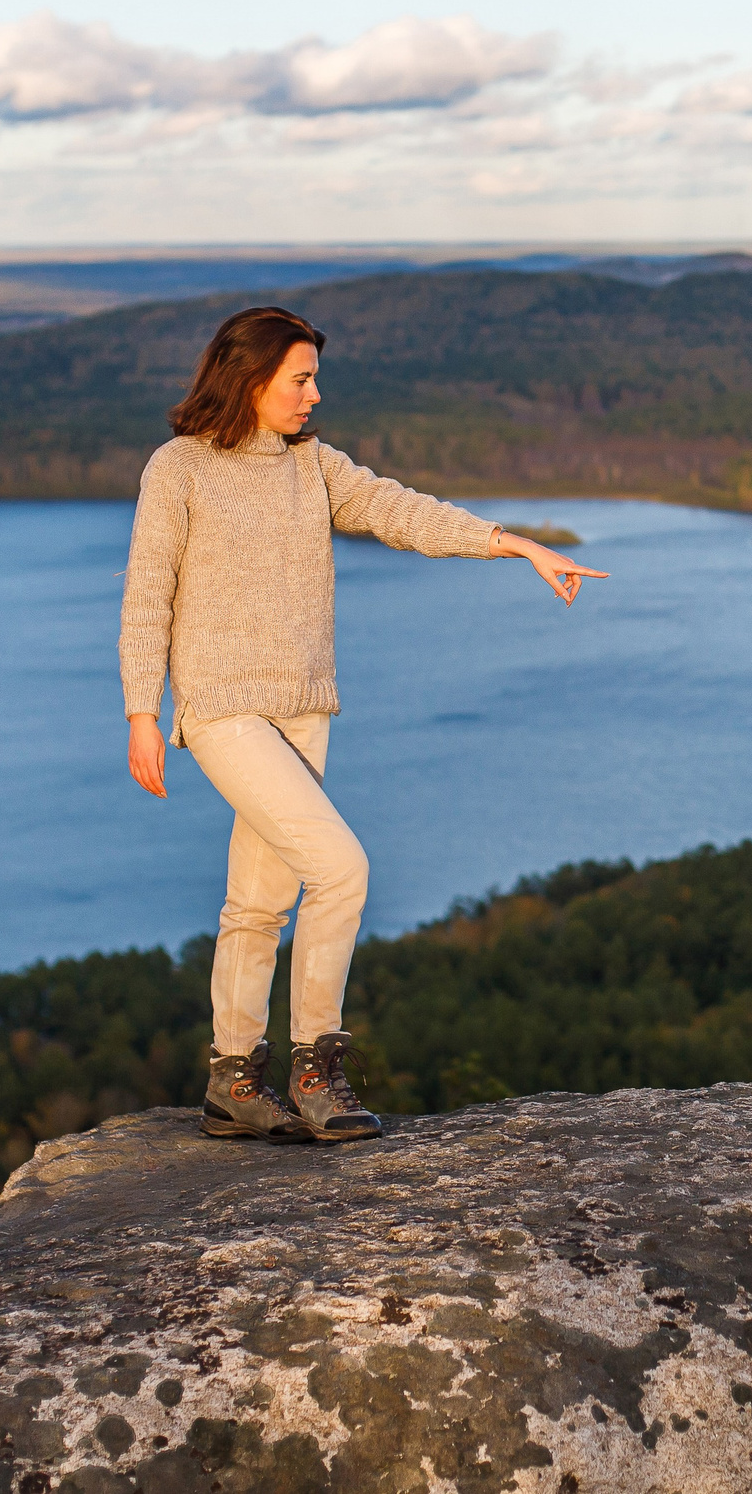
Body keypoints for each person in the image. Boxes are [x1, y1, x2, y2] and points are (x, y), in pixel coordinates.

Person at [118, 305, 604, 1142]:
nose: (316, 393)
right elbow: (146, 593)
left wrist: (518, 544)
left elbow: (402, 512)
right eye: (301, 377)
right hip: (224, 708)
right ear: (251, 377)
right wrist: (142, 712)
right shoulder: (180, 468)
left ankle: (233, 1082)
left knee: (257, 903)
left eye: (313, 377)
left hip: (303, 706)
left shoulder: (314, 466)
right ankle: (316, 1070)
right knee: (341, 868)